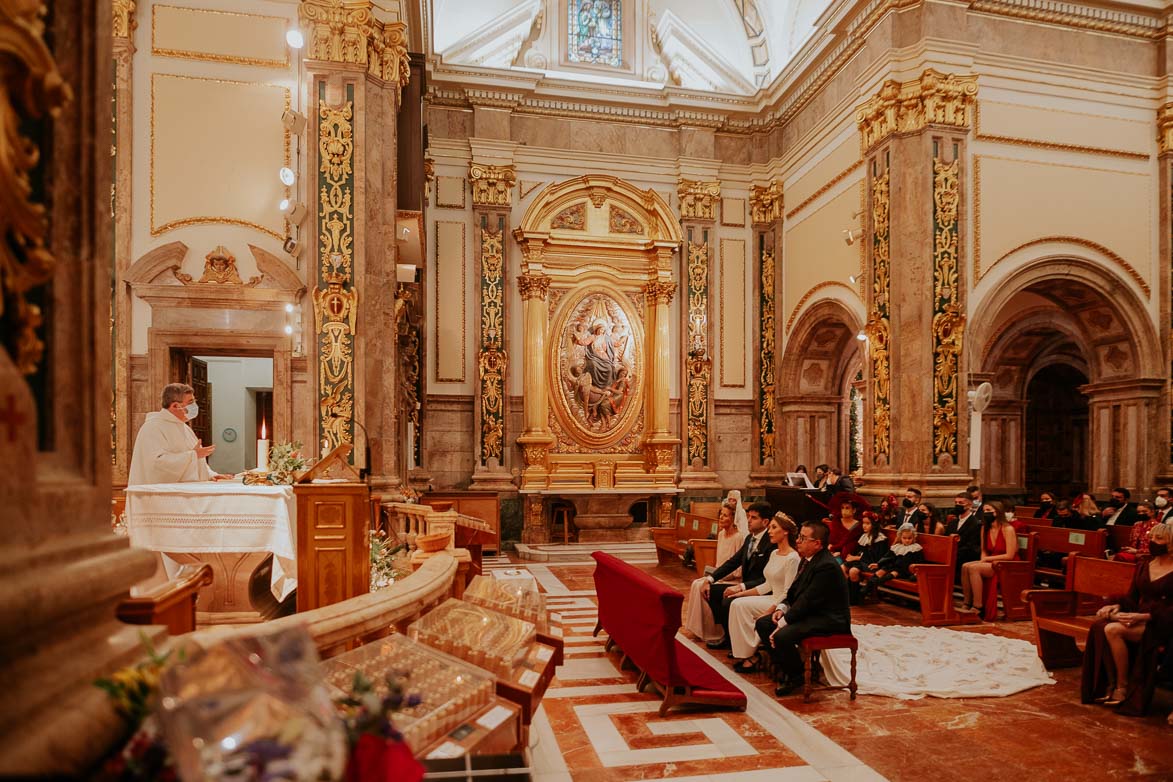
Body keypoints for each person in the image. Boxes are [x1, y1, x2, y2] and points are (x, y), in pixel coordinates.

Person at [1081, 522, 1173, 716]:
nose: (1152, 542)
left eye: (1159, 539)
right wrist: (1116, 605)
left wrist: (1146, 616)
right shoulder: (1145, 564)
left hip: (1163, 623)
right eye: (1151, 538)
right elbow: (1132, 596)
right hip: (1139, 617)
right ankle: (1113, 684)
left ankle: (1124, 688)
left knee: (1113, 629)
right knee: (1100, 626)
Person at [754, 519, 852, 696]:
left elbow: (808, 600)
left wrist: (783, 623)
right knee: (763, 623)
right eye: (799, 536)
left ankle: (795, 676)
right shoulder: (806, 559)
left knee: (782, 635)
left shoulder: (827, 566)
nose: (797, 541)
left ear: (817, 543)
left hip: (829, 619)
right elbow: (793, 592)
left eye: (803, 538)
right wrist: (781, 609)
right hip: (811, 613)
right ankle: (789, 668)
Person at [728, 513, 801, 671]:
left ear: (786, 531)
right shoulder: (774, 553)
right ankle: (745, 653)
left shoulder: (793, 557)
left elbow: (788, 592)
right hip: (771, 597)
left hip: (782, 603)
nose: (769, 531)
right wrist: (740, 594)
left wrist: (770, 610)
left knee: (740, 607)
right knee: (736, 603)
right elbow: (767, 585)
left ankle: (752, 654)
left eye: (774, 527)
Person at [701, 501, 776, 649]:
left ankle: (736, 639)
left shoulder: (771, 543)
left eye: (753, 518)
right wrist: (710, 578)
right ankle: (728, 635)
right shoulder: (750, 538)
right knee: (712, 592)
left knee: (727, 601)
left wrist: (741, 587)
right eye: (748, 517)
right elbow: (733, 562)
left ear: (765, 521)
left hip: (761, 588)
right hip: (746, 585)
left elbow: (768, 579)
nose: (748, 521)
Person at [128, 383, 235, 485]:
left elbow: (197, 461)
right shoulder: (152, 428)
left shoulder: (185, 428)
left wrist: (211, 475)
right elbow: (157, 465)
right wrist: (193, 455)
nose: (195, 406)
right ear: (175, 406)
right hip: (162, 496)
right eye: (190, 402)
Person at [683, 502, 746, 644]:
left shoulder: (739, 537)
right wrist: (713, 574)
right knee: (696, 584)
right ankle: (698, 629)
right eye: (721, 515)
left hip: (732, 579)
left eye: (725, 515)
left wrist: (718, 576)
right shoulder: (722, 534)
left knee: (701, 587)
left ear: (733, 518)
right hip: (719, 575)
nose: (721, 518)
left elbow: (737, 569)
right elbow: (720, 562)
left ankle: (714, 631)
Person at [959, 500, 1019, 615]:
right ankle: (967, 602)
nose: (985, 513)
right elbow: (984, 550)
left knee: (974, 568)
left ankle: (978, 606)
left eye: (988, 511)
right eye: (984, 510)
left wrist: (985, 560)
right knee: (965, 566)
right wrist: (983, 559)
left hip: (1006, 563)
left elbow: (1010, 555)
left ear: (997, 512)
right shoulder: (984, 528)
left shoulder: (1008, 529)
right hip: (992, 560)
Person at [862, 524, 925, 600]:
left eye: (909, 538)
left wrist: (916, 572)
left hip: (904, 570)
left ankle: (873, 586)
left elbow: (920, 561)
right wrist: (878, 564)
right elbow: (888, 557)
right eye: (904, 538)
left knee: (893, 573)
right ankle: (865, 590)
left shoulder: (916, 548)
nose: (907, 540)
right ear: (900, 537)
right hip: (892, 565)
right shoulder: (897, 546)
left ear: (914, 538)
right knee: (880, 572)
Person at [845, 512, 890, 604]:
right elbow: (859, 551)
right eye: (863, 523)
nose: (864, 526)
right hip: (863, 562)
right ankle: (847, 595)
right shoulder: (864, 536)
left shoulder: (880, 539)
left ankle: (854, 599)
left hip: (872, 565)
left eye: (868, 523)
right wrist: (852, 556)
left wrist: (856, 558)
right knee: (842, 567)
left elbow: (876, 559)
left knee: (853, 571)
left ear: (874, 524)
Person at [942, 491, 981, 573]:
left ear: (970, 505)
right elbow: (945, 539)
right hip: (950, 555)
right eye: (956, 502)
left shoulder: (976, 524)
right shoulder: (952, 522)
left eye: (961, 503)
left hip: (965, 558)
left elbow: (972, 547)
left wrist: (953, 553)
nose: (957, 505)